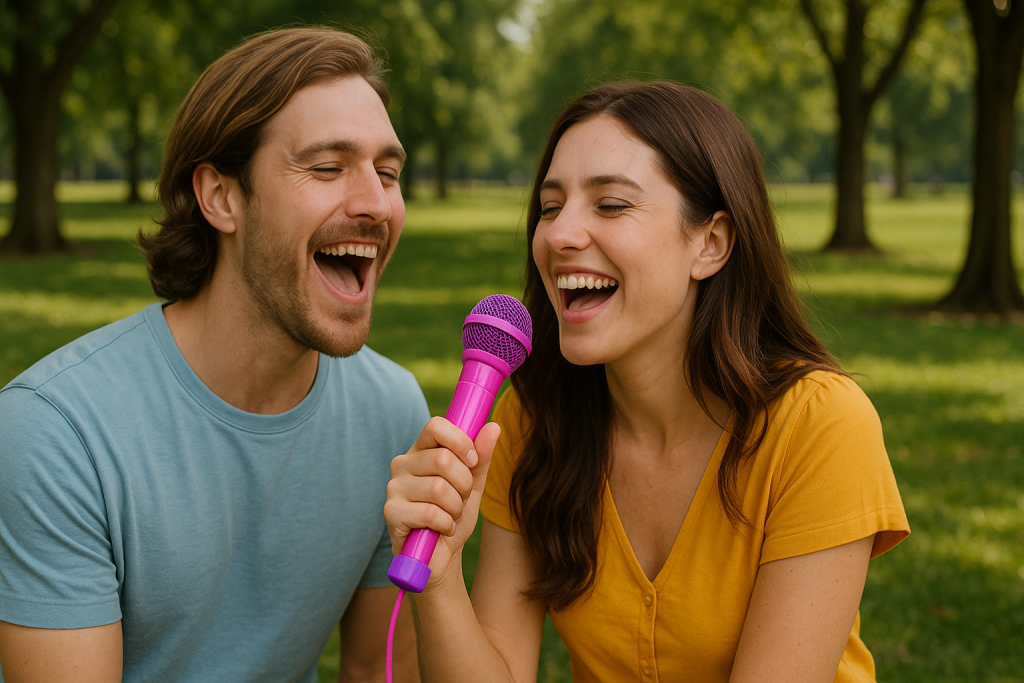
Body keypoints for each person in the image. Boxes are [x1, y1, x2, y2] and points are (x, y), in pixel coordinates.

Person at [384, 81, 910, 682]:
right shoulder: (531, 421)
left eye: (610, 204)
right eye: (551, 207)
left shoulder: (820, 426)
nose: (558, 235)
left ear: (711, 243)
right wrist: (440, 575)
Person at [0, 28, 425, 683]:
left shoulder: (391, 412)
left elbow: (375, 669)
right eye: (326, 167)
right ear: (221, 197)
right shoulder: (56, 432)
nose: (376, 203)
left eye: (387, 173)